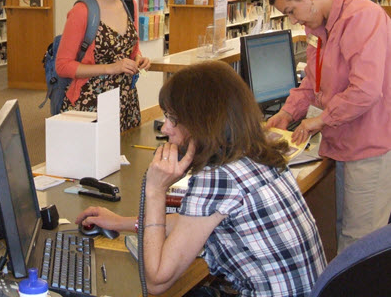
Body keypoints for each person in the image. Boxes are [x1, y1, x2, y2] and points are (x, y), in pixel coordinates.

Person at [76, 61, 327, 296]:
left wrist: (155, 191)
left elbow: (156, 280)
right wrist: (121, 223)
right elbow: (191, 223)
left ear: (202, 122)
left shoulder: (218, 179)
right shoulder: (259, 154)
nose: (164, 128)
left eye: (172, 118)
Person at [266, 0, 391, 254]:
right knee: (343, 230)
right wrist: (288, 113)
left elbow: (366, 90)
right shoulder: (319, 26)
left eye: (291, 11)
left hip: (369, 145)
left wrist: (321, 120)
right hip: (343, 142)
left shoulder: (361, 17)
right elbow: (313, 80)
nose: (294, 20)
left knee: (360, 244)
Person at [55, 0, 150, 132]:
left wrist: (139, 59)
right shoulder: (83, 11)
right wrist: (111, 68)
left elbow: (132, 49)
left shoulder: (129, 5)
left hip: (126, 100)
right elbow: (63, 66)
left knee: (127, 156)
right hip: (92, 103)